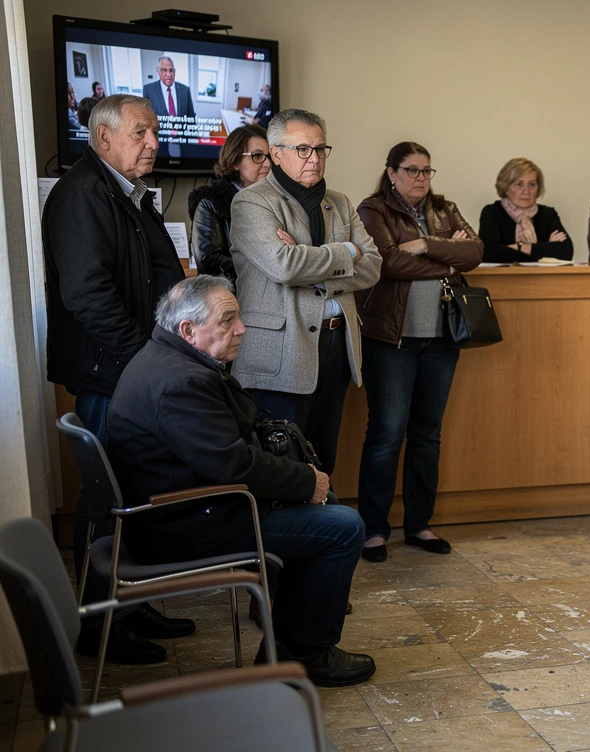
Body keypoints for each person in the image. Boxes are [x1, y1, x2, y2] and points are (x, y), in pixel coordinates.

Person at [107, 275, 375, 686]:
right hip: (186, 522)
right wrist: (305, 481)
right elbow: (233, 465)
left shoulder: (166, 357)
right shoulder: (181, 382)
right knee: (342, 526)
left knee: (326, 507)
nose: (242, 329)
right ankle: (304, 654)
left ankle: (287, 648)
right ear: (188, 330)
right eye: (229, 319)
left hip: (185, 506)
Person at [41, 94, 189, 665]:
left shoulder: (123, 191)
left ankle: (130, 602)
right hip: (113, 373)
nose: (153, 142)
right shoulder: (82, 193)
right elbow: (87, 294)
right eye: (140, 133)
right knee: (107, 496)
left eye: (153, 132)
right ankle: (100, 624)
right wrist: (141, 358)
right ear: (103, 140)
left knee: (136, 490)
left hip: (132, 370)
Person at [229, 108, 382, 479]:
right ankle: (288, 537)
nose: (314, 159)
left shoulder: (341, 203)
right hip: (280, 348)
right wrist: (346, 252)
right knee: (281, 460)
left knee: (322, 454)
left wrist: (307, 260)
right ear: (276, 152)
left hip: (336, 344)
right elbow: (283, 266)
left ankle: (322, 534)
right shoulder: (252, 202)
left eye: (320, 149)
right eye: (302, 150)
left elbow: (373, 265)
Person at [355, 142, 482, 562]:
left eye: (427, 171)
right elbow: (388, 262)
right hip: (391, 340)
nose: (421, 179)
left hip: (442, 338)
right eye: (411, 170)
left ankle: (419, 525)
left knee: (427, 435)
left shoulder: (445, 208)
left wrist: (427, 244)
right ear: (391, 172)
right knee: (387, 434)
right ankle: (374, 529)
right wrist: (450, 254)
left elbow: (476, 252)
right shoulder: (373, 210)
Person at [187, 124, 270, 280]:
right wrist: (268, 268)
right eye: (257, 156)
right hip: (230, 297)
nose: (267, 163)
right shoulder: (210, 201)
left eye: (269, 156)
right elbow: (208, 261)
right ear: (235, 162)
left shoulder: (276, 199)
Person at [478, 158, 573, 263]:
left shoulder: (548, 214)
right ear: (505, 187)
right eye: (519, 184)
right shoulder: (492, 212)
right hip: (501, 278)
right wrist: (544, 251)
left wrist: (519, 247)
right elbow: (489, 253)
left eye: (532, 184)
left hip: (542, 278)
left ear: (538, 189)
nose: (526, 191)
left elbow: (566, 251)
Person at [143, 55, 195, 120]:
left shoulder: (185, 90)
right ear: (158, 71)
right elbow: (146, 119)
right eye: (164, 70)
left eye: (171, 70)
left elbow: (191, 118)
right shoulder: (149, 90)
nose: (169, 74)